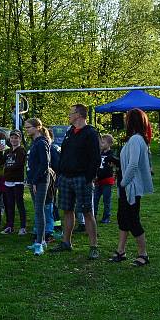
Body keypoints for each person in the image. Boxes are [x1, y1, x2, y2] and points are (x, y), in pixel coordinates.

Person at [49, 104, 101, 258]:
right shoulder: (70, 132)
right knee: (67, 210)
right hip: (66, 177)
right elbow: (64, 153)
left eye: (71, 113)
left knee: (87, 211)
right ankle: (66, 242)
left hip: (82, 178)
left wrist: (88, 178)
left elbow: (95, 158)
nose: (69, 115)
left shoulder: (90, 133)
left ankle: (93, 246)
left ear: (78, 115)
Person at [108, 109, 154, 266]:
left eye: (127, 119)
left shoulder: (136, 139)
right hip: (126, 184)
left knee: (132, 219)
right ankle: (121, 250)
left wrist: (123, 182)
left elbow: (134, 164)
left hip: (131, 186)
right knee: (123, 218)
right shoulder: (134, 139)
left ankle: (143, 254)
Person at [24, 118, 50, 255]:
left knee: (39, 211)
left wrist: (34, 181)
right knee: (37, 210)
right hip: (33, 180)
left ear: (37, 127)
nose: (26, 130)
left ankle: (39, 243)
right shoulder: (34, 142)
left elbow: (45, 164)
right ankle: (42, 240)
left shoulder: (41, 143)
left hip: (40, 181)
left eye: (28, 127)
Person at [1, 130, 27, 235]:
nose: (14, 140)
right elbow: (2, 162)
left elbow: (19, 164)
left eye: (16, 138)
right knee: (9, 204)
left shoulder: (21, 150)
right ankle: (10, 226)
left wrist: (8, 168)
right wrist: (1, 152)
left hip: (17, 181)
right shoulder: (8, 151)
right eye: (12, 138)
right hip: (8, 181)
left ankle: (23, 227)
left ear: (20, 139)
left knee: (19, 204)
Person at [94, 134, 118, 224]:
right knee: (95, 199)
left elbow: (115, 163)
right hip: (98, 180)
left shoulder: (111, 154)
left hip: (107, 180)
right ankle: (93, 216)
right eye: (101, 143)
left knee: (106, 200)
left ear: (109, 144)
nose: (101, 144)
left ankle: (106, 217)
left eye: (103, 143)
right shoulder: (98, 153)